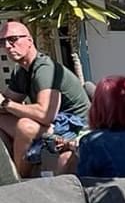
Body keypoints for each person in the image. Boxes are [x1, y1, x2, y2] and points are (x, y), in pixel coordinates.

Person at [0, 20, 90, 177]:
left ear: (29, 40)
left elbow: (45, 114)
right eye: (2, 42)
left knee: (25, 127)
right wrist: (5, 104)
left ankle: (19, 180)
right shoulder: (21, 72)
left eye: (13, 39)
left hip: (74, 129)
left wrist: (6, 103)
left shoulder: (45, 69)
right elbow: (5, 106)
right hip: (54, 126)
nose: (7, 46)